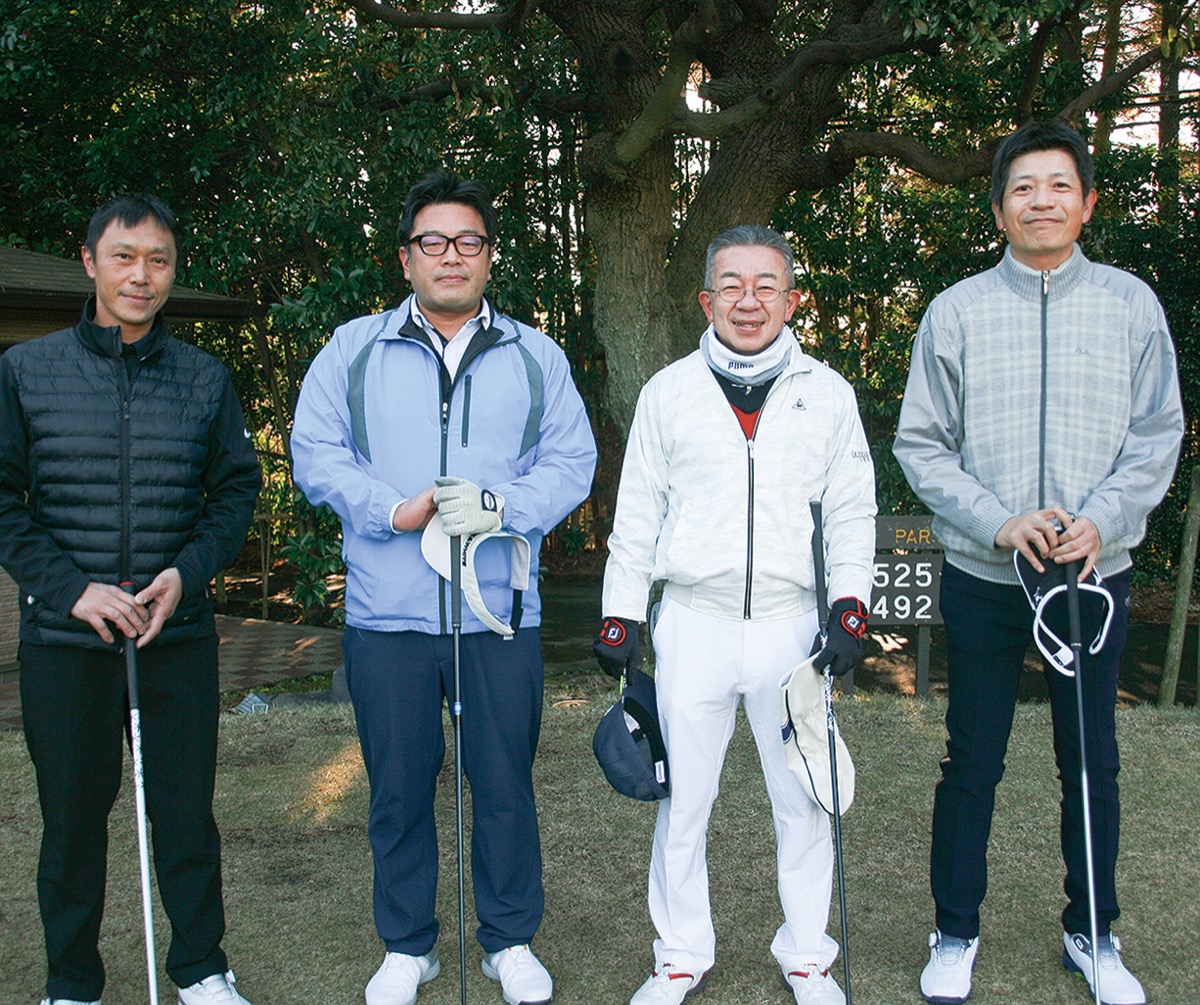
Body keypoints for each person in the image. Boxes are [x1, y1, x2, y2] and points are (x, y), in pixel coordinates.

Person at [893, 120, 1183, 1005]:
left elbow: (1158, 433)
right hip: (986, 577)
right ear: (999, 208)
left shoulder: (1132, 304)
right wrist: (998, 520)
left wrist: (1103, 519)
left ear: (1087, 202)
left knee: (1090, 760)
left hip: (1091, 579)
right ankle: (954, 930)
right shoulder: (956, 311)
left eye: (1060, 185)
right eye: (1023, 187)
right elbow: (921, 444)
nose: (1042, 201)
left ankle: (1092, 932)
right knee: (971, 759)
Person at [291, 170, 596, 1005]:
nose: (451, 255)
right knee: (397, 788)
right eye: (433, 241)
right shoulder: (352, 349)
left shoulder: (536, 356)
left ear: (490, 256)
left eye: (468, 241)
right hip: (387, 615)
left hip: (497, 615)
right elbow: (315, 451)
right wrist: (389, 509)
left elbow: (572, 460)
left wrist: (502, 507)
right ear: (406, 257)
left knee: (503, 784)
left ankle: (509, 939)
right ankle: (408, 945)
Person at [595, 225, 877, 1005]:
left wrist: (850, 602)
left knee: (804, 795)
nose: (748, 301)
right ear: (706, 298)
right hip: (694, 621)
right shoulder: (668, 392)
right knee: (684, 798)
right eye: (731, 285)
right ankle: (680, 953)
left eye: (765, 285)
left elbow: (852, 509)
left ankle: (808, 954)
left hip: (791, 624)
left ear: (792, 299)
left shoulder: (828, 393)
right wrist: (621, 612)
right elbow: (638, 514)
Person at [0, 194, 262, 1005]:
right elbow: (4, 501)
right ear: (90, 261)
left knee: (184, 814)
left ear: (172, 270)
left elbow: (235, 493)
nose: (141, 275)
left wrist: (186, 573)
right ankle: (72, 982)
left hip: (172, 636)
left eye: (158, 260)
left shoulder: (205, 378)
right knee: (72, 822)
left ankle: (201, 968)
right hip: (65, 642)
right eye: (124, 256)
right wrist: (72, 590)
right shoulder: (25, 371)